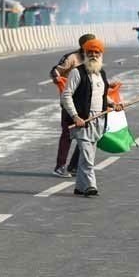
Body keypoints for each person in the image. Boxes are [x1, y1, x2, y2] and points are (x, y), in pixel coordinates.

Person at [61, 39, 124, 197]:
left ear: (101, 55)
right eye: (90, 52)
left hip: (98, 121)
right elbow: (66, 96)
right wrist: (75, 116)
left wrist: (113, 104)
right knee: (88, 157)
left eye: (97, 52)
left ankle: (79, 187)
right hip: (82, 122)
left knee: (86, 156)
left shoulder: (101, 73)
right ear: (85, 54)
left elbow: (102, 96)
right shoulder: (77, 73)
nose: (94, 55)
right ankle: (91, 186)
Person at [49, 33, 96, 177]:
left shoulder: (94, 58)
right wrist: (57, 78)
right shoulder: (72, 58)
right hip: (70, 104)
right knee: (67, 135)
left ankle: (74, 166)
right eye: (90, 46)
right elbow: (55, 70)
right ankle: (60, 166)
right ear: (83, 46)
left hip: (87, 104)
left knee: (87, 136)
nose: (94, 50)